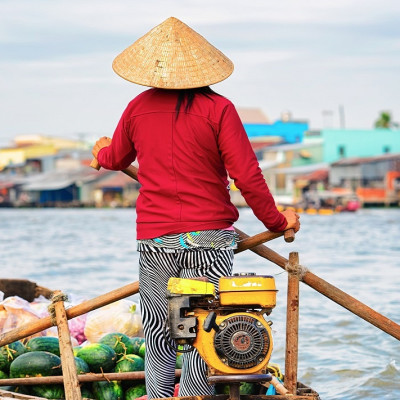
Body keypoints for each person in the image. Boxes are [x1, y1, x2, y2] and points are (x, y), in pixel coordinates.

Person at [92, 17, 300, 400]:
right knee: (203, 324)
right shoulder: (219, 109)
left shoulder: (137, 108)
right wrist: (277, 220)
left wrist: (100, 152)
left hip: (156, 239)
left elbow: (115, 156)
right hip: (208, 238)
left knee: (161, 327)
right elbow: (247, 176)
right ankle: (190, 396)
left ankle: (159, 397)